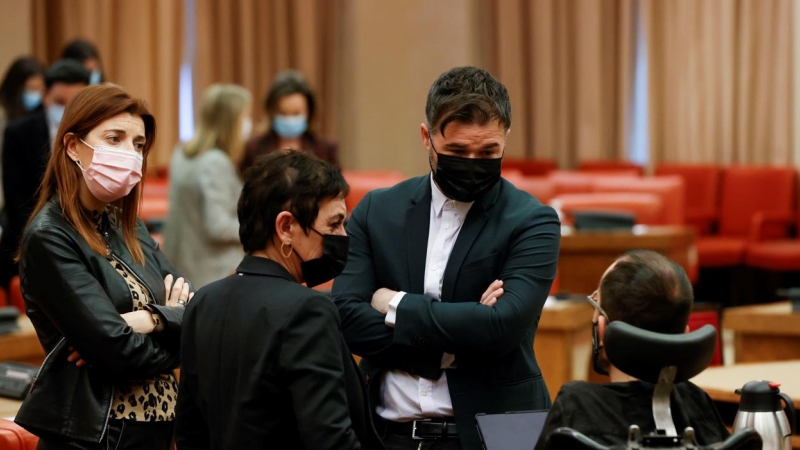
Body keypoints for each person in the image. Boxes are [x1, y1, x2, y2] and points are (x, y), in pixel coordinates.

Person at [332, 66, 560, 450]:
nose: (473, 163)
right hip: (387, 433)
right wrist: (460, 335)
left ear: (506, 137)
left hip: (500, 432)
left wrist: (396, 305)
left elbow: (503, 327)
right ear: (427, 137)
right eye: (456, 151)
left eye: (489, 152)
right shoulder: (377, 210)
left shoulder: (532, 220)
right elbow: (347, 317)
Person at [14, 84, 192, 449]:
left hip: (159, 428)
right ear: (73, 146)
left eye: (138, 145)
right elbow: (119, 353)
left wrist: (151, 320)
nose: (130, 153)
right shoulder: (49, 235)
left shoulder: (127, 225)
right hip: (98, 434)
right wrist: (174, 321)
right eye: (115, 138)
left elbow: (199, 313)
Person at [175, 150, 381, 449]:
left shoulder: (203, 300)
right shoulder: (308, 309)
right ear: (286, 227)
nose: (343, 235)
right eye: (334, 224)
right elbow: (330, 439)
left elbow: (189, 433)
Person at [535, 250, 730, 448]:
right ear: (684, 334)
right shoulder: (698, 403)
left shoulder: (575, 406)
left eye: (596, 302)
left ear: (602, 330)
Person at [0, 59, 89, 289]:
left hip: (81, 234)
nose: (66, 109)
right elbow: (16, 199)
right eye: (60, 102)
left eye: (74, 102)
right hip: (28, 235)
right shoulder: (19, 132)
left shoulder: (94, 133)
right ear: (45, 95)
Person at [163, 84, 250, 288]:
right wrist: (260, 230)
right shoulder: (215, 162)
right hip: (213, 272)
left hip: (184, 266)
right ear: (230, 121)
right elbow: (218, 227)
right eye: (244, 117)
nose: (248, 124)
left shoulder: (182, 153)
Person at [239, 70, 338, 172]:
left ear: (309, 112)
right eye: (283, 113)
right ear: (271, 112)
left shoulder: (325, 148)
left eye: (296, 113)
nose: (289, 119)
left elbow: (337, 186)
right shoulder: (254, 148)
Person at [0, 56, 46, 213]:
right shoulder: (3, 116)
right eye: (30, 90)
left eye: (39, 90)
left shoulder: (41, 119)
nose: (36, 95)